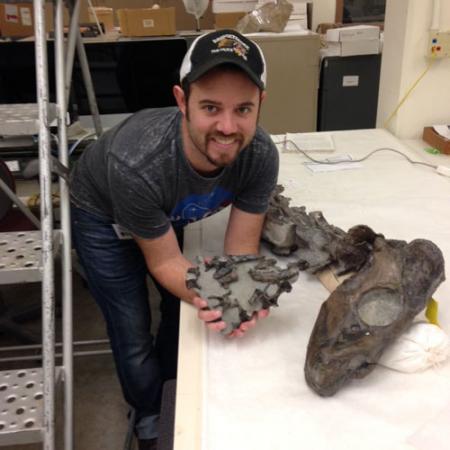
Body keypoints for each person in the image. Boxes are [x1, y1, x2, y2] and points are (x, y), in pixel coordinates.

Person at [70, 29, 279, 450]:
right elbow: (165, 263)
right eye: (209, 107)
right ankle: (149, 414)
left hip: (167, 206)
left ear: (260, 105)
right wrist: (217, 296)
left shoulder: (260, 156)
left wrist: (241, 294)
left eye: (243, 109)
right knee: (130, 325)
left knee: (177, 307)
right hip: (103, 213)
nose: (227, 126)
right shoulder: (137, 162)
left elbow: (240, 250)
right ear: (182, 101)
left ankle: (172, 389)